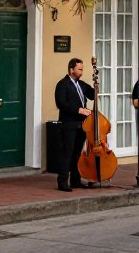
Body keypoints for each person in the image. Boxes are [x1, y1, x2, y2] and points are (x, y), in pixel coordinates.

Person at [54, 57, 96, 192]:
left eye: (82, 69)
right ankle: (62, 181)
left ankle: (76, 180)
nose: (81, 72)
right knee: (67, 152)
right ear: (71, 70)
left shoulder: (82, 85)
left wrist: (96, 84)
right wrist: (78, 110)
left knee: (77, 153)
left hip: (81, 124)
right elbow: (61, 103)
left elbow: (92, 95)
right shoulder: (62, 84)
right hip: (69, 123)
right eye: (79, 69)